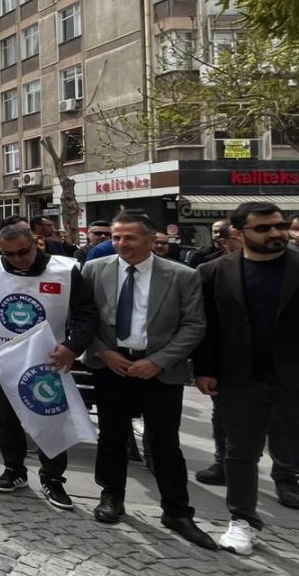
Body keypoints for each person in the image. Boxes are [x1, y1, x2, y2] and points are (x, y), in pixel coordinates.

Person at [82, 212, 214, 548]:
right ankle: (112, 495)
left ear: (151, 239)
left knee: (164, 442)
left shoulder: (181, 275)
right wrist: (102, 352)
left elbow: (194, 325)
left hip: (159, 370)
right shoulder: (93, 270)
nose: (121, 244)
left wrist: (158, 361)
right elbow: (82, 318)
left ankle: (177, 511)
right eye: (116, 237)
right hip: (111, 366)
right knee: (111, 436)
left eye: (130, 237)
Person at [194, 202, 299, 555]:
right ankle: (242, 520)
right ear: (239, 233)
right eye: (263, 228)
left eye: (280, 225)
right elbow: (206, 327)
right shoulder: (213, 272)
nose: (276, 233)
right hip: (240, 379)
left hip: (293, 377)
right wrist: (205, 369)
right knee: (240, 452)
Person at [0, 224, 96, 509]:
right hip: (4, 357)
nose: (17, 259)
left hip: (48, 359)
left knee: (51, 419)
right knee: (7, 419)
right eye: (9, 254)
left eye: (23, 252)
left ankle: (52, 478)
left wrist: (73, 346)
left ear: (36, 243)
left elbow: (86, 313)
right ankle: (13, 470)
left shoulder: (66, 270)